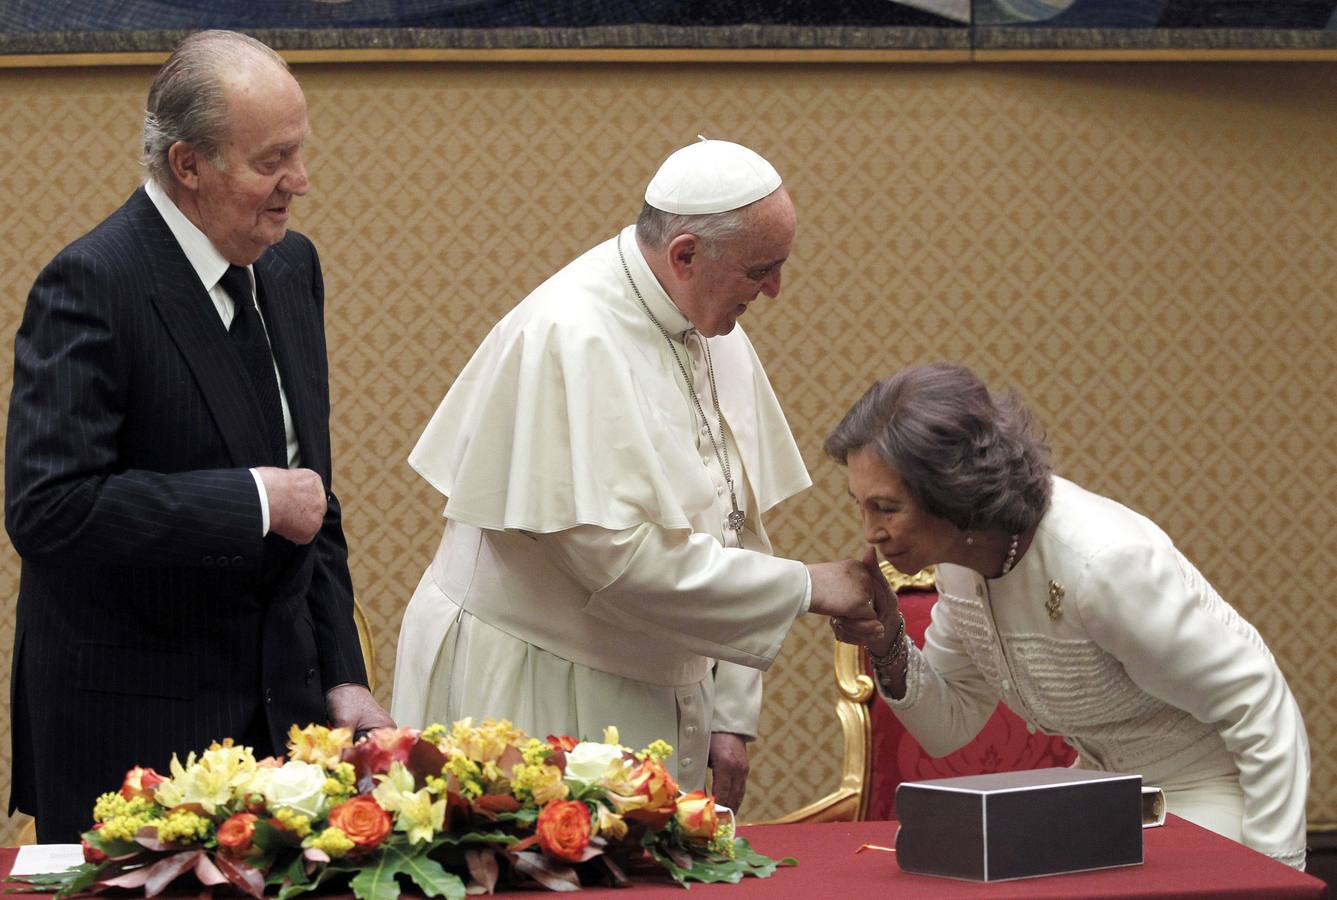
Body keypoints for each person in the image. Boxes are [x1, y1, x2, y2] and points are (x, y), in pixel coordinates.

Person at [391, 138, 881, 810]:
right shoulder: (571, 336)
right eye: (759, 270)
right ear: (684, 256)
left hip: (648, 676)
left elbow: (736, 517)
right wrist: (808, 586)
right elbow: (613, 558)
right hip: (532, 678)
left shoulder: (710, 328)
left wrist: (731, 708)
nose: (773, 291)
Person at [5, 30, 393, 843]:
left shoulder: (290, 268)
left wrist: (344, 677)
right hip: (137, 735)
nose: (300, 183)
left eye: (299, 153)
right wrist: (248, 501)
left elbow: (310, 493)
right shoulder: (93, 283)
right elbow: (49, 509)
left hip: (281, 720)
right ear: (187, 165)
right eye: (271, 161)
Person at [825, 362, 1310, 868]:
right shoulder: (960, 566)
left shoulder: (1103, 566)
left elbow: (1259, 701)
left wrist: (1276, 869)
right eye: (860, 506)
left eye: (886, 507)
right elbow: (951, 724)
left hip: (1209, 795)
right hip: (1103, 799)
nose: (870, 533)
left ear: (954, 490)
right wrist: (888, 642)